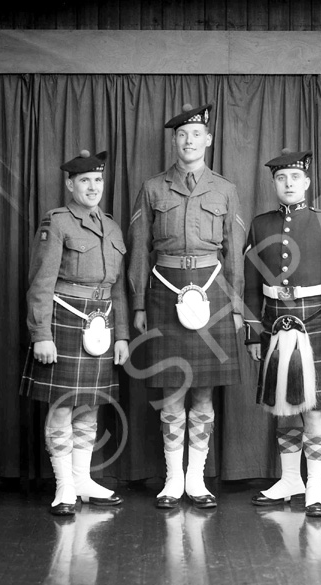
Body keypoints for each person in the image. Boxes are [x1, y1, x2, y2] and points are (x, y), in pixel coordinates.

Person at [127, 102, 246, 510]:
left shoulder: (226, 190)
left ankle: (197, 479)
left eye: (196, 134)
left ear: (208, 140)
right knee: (171, 390)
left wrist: (234, 305)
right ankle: (172, 479)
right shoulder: (153, 187)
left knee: (203, 394)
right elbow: (140, 251)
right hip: (164, 289)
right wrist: (139, 304)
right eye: (182, 135)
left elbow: (234, 255)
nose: (189, 141)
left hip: (212, 292)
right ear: (174, 141)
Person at [244, 149, 321, 517]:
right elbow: (249, 284)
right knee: (283, 407)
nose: (288, 184)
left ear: (306, 183)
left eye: (295, 178)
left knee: (313, 410)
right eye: (281, 178)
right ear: (274, 184)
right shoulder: (260, 225)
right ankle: (291, 480)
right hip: (275, 321)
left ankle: (316, 489)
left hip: (317, 322)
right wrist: (253, 331)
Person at [20, 149, 130, 516]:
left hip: (102, 324)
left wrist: (123, 337)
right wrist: (41, 334)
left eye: (98, 180)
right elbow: (41, 282)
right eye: (85, 180)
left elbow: (118, 290)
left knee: (89, 406)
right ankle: (64, 485)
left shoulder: (112, 227)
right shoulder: (58, 222)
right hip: (65, 322)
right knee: (62, 406)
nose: (93, 187)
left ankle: (82, 479)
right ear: (70, 184)